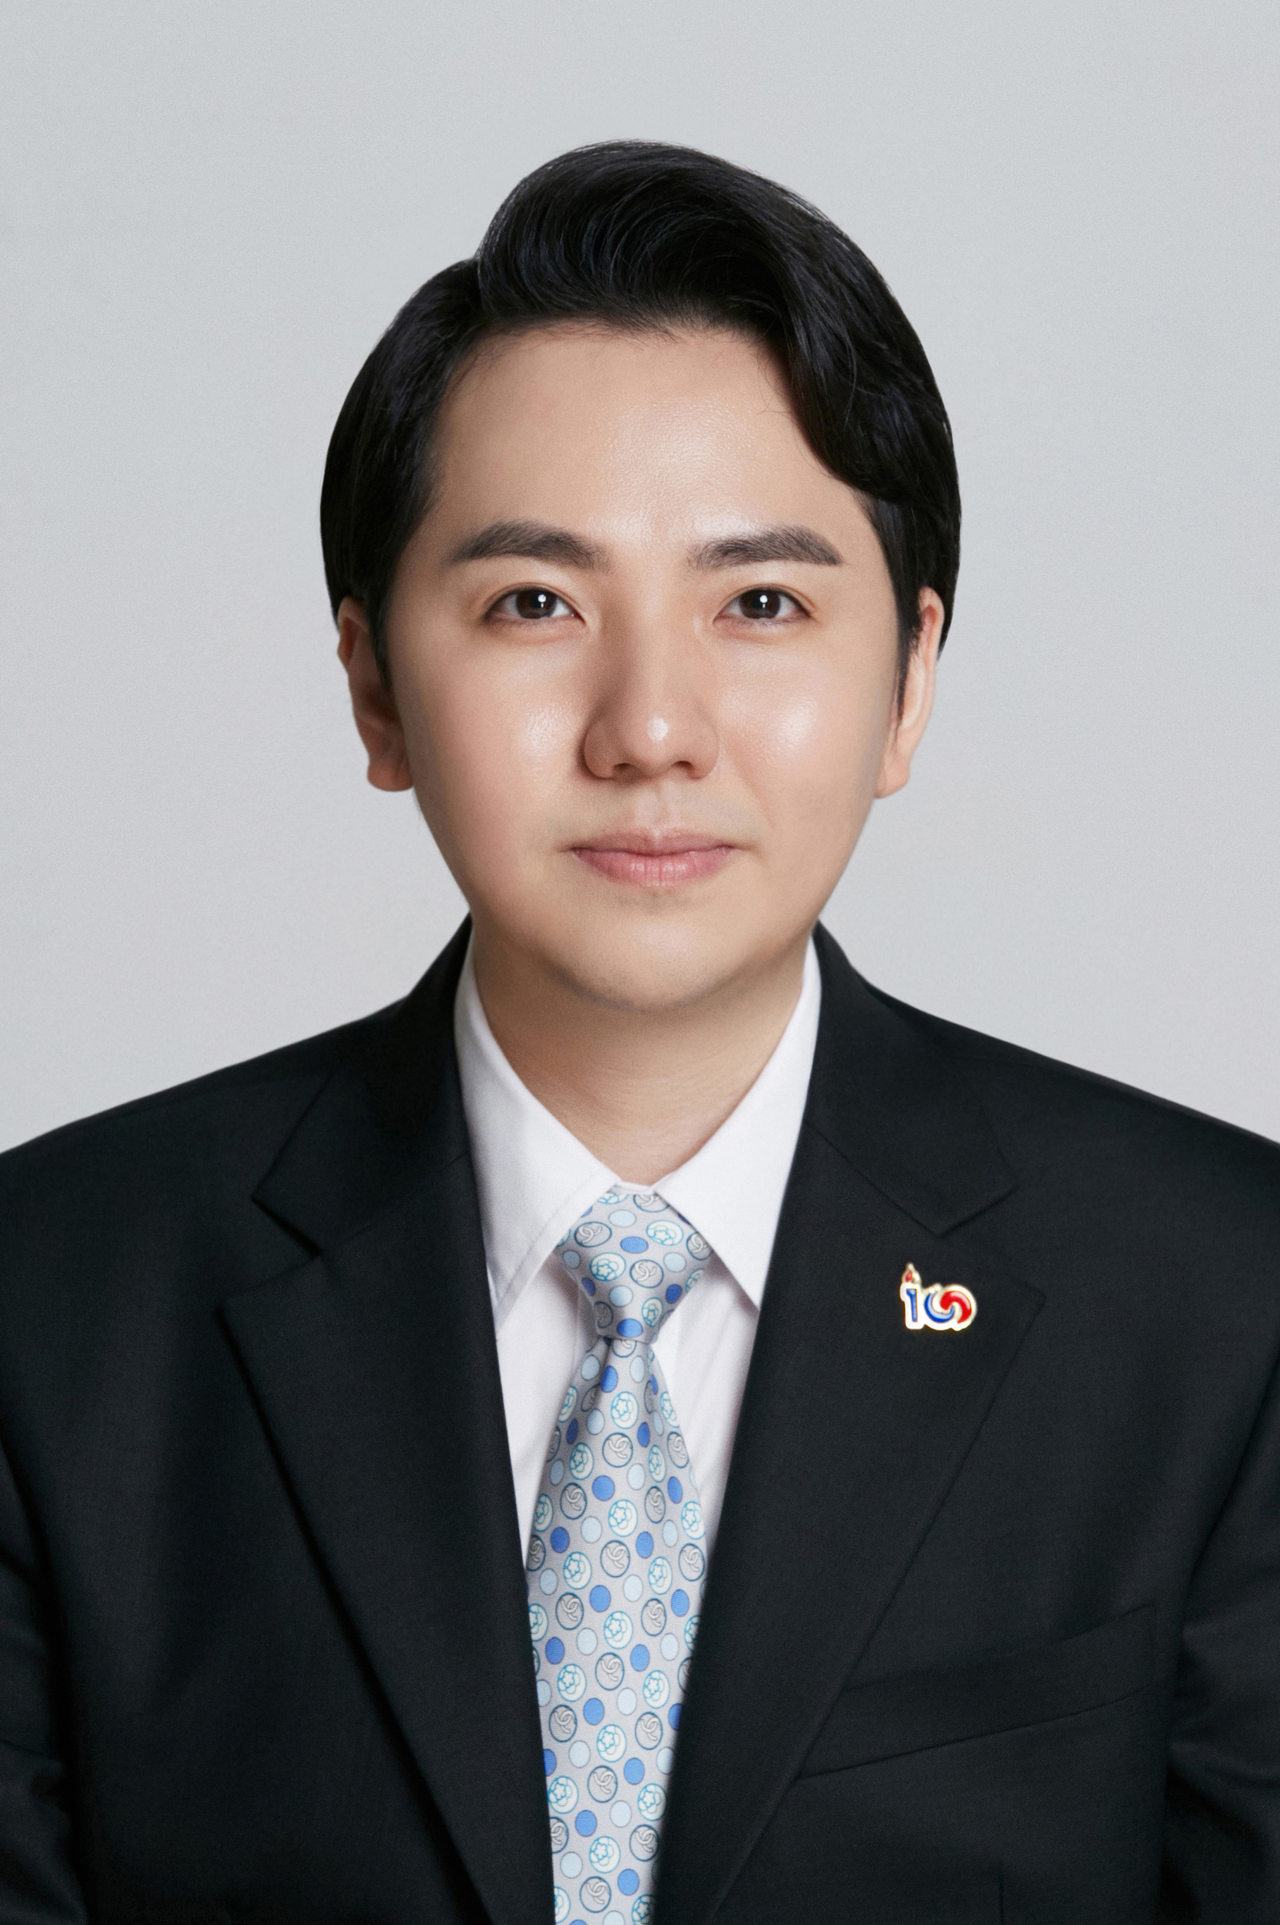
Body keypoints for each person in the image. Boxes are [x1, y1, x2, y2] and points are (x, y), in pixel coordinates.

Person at [0, 141, 1276, 1925]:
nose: (650, 726)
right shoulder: (55, 1299)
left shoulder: (1219, 1302)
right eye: (534, 603)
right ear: (374, 685)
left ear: (908, 682)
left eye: (761, 604)